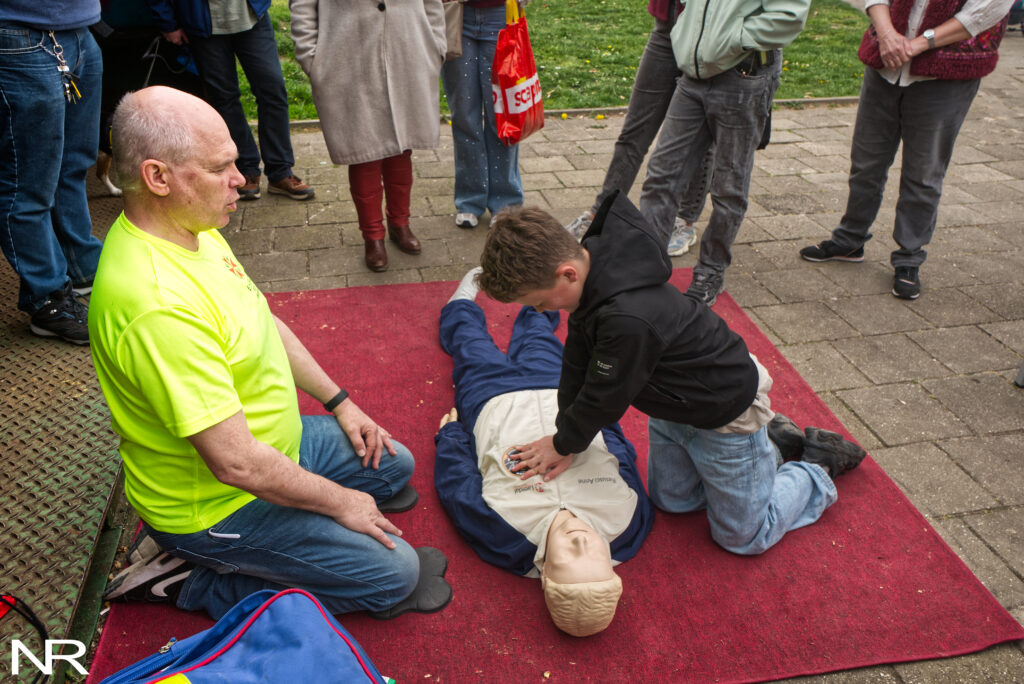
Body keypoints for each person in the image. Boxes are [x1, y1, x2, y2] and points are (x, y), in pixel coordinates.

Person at [92, 86, 451, 621]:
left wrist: (341, 403)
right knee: (394, 576)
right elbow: (235, 463)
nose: (239, 179)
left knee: (394, 465)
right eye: (220, 168)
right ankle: (190, 580)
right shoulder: (156, 305)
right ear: (158, 177)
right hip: (218, 504)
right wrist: (340, 501)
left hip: (270, 446)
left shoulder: (192, 226)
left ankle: (284, 535)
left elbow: (263, 321)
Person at [477, 195, 866, 556]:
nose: (543, 311)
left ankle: (816, 465)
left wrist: (564, 445)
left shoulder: (627, 318)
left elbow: (603, 397)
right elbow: (576, 366)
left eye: (540, 302)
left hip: (724, 413)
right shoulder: (592, 277)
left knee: (743, 536)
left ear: (567, 274)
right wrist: (565, 434)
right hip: (674, 408)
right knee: (673, 501)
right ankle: (772, 446)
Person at [434, 269, 655, 635]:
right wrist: (596, 419)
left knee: (469, 344)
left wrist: (451, 438)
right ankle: (538, 289)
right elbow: (622, 458)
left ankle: (462, 301)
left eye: (569, 558)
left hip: (491, 399)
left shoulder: (503, 536)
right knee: (539, 334)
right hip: (559, 392)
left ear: (546, 574)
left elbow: (458, 487)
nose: (580, 540)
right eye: (595, 555)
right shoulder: (628, 524)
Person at [799, 0, 1013, 300]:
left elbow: (983, 13)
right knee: (865, 163)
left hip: (946, 75)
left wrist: (916, 45)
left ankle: (909, 258)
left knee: (923, 173)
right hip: (884, 65)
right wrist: (887, 35)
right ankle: (849, 240)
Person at [639, 0, 809, 306]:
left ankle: (710, 271)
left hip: (744, 75)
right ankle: (646, 270)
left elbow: (789, 14)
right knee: (661, 176)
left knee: (729, 188)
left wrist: (731, 39)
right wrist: (690, 33)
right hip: (693, 74)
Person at [290, 0, 445, 272]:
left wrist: (436, 45)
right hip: (347, 55)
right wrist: (311, 58)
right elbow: (302, 5)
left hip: (408, 48)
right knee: (363, 151)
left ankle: (400, 223)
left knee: (402, 148)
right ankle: (373, 236)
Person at [564, 0, 713, 258]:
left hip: (708, 36)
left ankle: (685, 220)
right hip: (666, 29)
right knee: (633, 132)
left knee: (699, 139)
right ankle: (600, 212)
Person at [0, 0, 105, 344]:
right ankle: (47, 298)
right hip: (17, 35)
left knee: (72, 166)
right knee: (27, 184)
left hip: (78, 28)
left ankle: (81, 266)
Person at [145, 0, 314, 202]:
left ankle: (280, 172)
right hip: (204, 26)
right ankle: (245, 169)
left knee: (272, 91)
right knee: (224, 100)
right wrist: (168, 23)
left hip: (252, 17)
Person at [441, 0, 525, 230]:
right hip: (456, 16)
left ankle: (506, 203)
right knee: (464, 117)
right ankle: (470, 200)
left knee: (501, 116)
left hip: (502, 15)